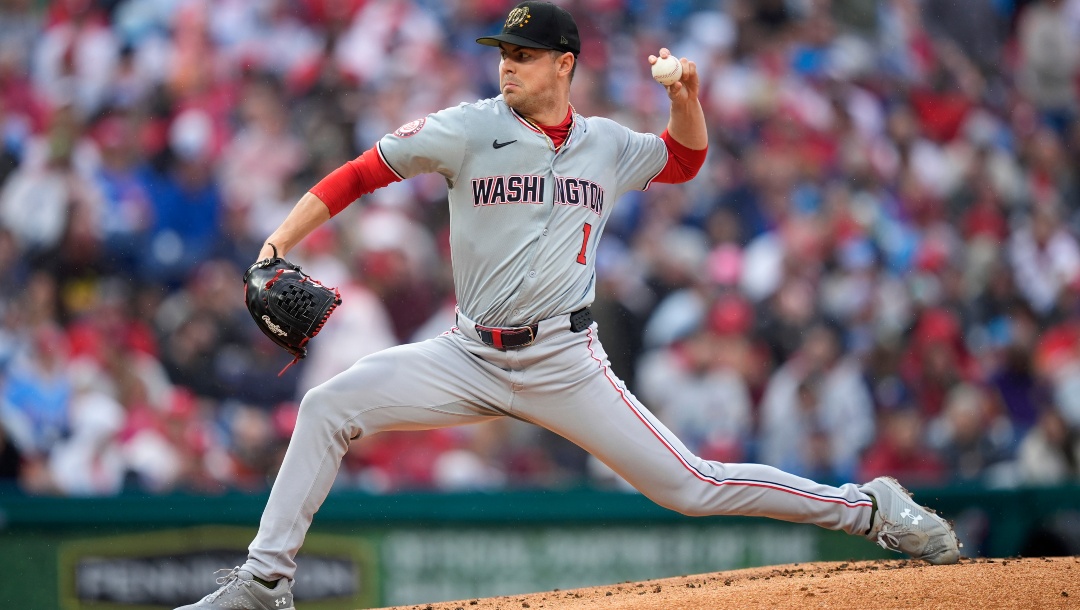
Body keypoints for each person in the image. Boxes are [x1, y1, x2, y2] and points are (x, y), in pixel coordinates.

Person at [175, 3, 960, 608]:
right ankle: (264, 583)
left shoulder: (608, 144)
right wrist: (276, 243)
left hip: (564, 360)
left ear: (565, 65)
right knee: (325, 407)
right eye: (503, 55)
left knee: (691, 485)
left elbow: (685, 159)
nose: (507, 67)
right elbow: (360, 173)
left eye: (522, 56)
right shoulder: (464, 129)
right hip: (468, 353)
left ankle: (869, 508)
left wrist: (686, 94)